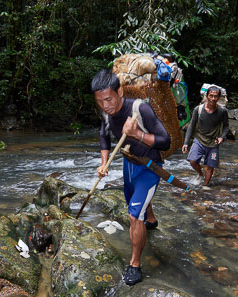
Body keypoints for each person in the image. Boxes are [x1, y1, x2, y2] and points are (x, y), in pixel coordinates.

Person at [91, 69, 170, 285]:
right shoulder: (106, 114)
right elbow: (104, 138)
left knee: (134, 215)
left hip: (150, 166)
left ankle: (135, 264)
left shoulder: (139, 108)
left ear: (120, 91)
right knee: (137, 204)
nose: (105, 105)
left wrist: (137, 134)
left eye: (108, 99)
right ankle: (151, 219)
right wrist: (103, 163)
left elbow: (165, 141)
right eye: (100, 102)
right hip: (129, 164)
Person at [182, 86, 229, 189]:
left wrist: (222, 137)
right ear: (207, 96)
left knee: (210, 166)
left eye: (215, 96)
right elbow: (191, 126)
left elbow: (226, 126)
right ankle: (200, 174)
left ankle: (205, 186)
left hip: (214, 142)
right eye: (211, 96)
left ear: (219, 97)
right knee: (192, 161)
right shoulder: (198, 110)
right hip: (199, 139)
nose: (213, 98)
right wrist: (185, 142)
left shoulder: (222, 111)